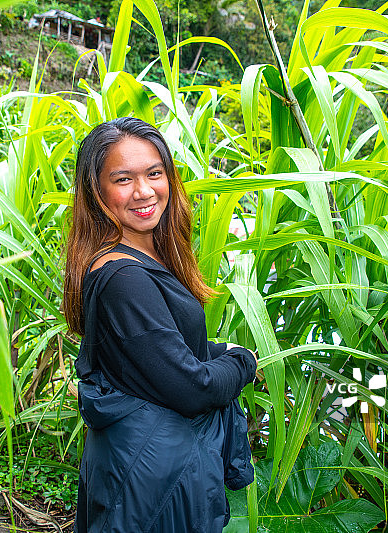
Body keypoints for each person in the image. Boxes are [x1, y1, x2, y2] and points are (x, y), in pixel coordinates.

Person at [63, 117, 258, 533]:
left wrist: (214, 354)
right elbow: (192, 390)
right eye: (123, 178)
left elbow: (152, 355)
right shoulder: (125, 277)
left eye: (155, 173)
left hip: (149, 465)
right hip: (153, 482)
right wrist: (242, 361)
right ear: (96, 191)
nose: (144, 191)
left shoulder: (138, 260)